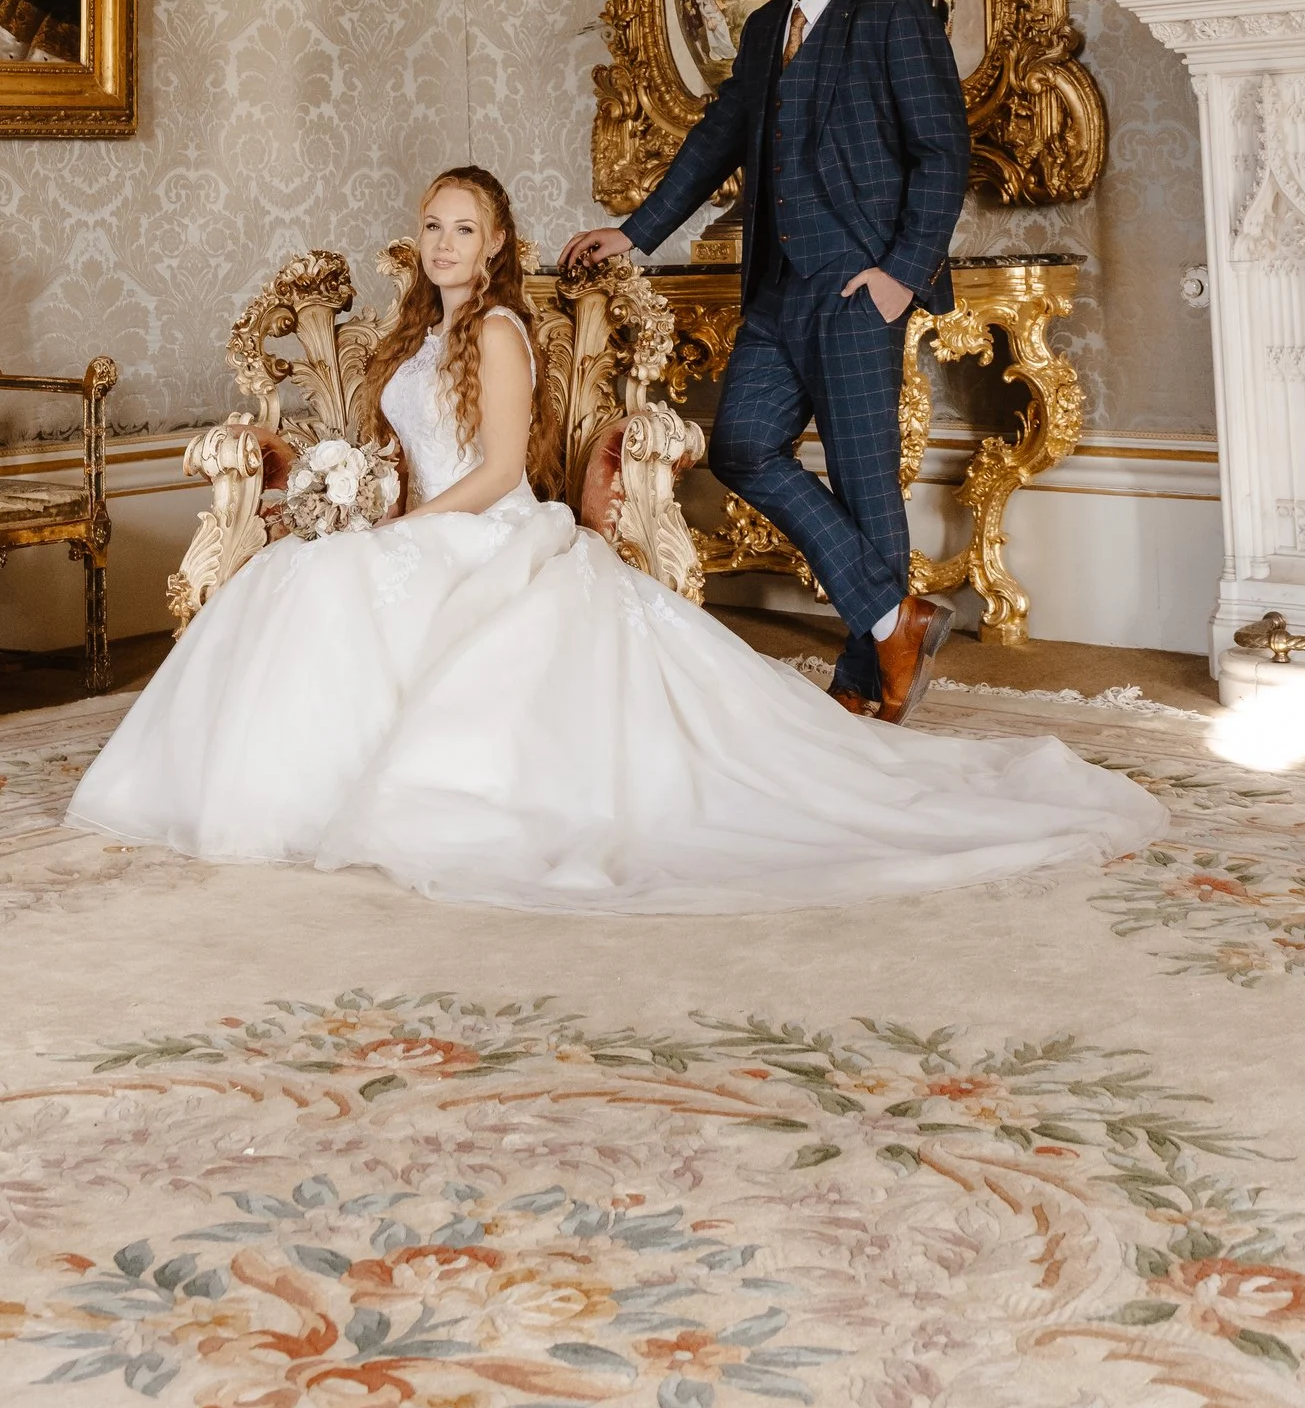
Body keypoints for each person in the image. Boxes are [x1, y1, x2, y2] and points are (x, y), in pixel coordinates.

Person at [64, 164, 1158, 913]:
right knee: (293, 587)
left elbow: (497, 472)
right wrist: (350, 500)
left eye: (464, 229)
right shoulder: (416, 334)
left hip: (482, 529)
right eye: (432, 225)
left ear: (495, 246)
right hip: (422, 525)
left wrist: (393, 527)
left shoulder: (494, 330)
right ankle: (263, 791)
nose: (444, 243)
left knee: (329, 586)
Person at [566, 0, 966, 719]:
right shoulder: (760, 34)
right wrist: (635, 231)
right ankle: (897, 620)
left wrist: (900, 276)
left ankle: (867, 682)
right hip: (779, 292)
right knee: (743, 446)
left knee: (865, 483)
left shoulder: (895, 19)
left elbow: (942, 154)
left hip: (860, 290)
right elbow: (716, 142)